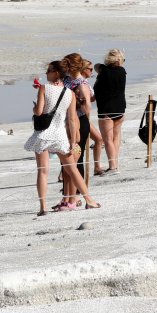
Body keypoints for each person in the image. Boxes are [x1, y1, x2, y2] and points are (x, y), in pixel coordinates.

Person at [24, 60, 100, 216]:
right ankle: (89, 200)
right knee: (72, 169)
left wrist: (34, 106)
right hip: (60, 134)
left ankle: (43, 207)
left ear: (56, 73)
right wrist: (73, 142)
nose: (46, 73)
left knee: (43, 171)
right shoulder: (70, 93)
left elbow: (38, 112)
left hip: (44, 134)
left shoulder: (44, 88)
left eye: (49, 71)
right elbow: (72, 119)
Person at [61, 53, 93, 206]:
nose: (64, 67)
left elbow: (88, 108)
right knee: (66, 159)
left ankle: (77, 195)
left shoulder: (82, 83)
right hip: (67, 120)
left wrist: (77, 101)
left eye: (66, 65)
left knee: (76, 157)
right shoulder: (67, 79)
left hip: (79, 120)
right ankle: (67, 195)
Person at [93, 49, 126, 175]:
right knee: (116, 137)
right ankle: (115, 164)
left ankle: (112, 166)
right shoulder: (122, 71)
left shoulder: (103, 72)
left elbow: (97, 66)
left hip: (106, 109)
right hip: (120, 107)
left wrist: (104, 67)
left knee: (108, 140)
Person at [81, 60, 105, 176]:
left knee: (98, 139)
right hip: (78, 117)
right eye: (90, 69)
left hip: (83, 116)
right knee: (75, 145)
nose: (92, 71)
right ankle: (65, 171)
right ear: (83, 70)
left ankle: (97, 166)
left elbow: (91, 99)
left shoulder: (84, 82)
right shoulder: (80, 82)